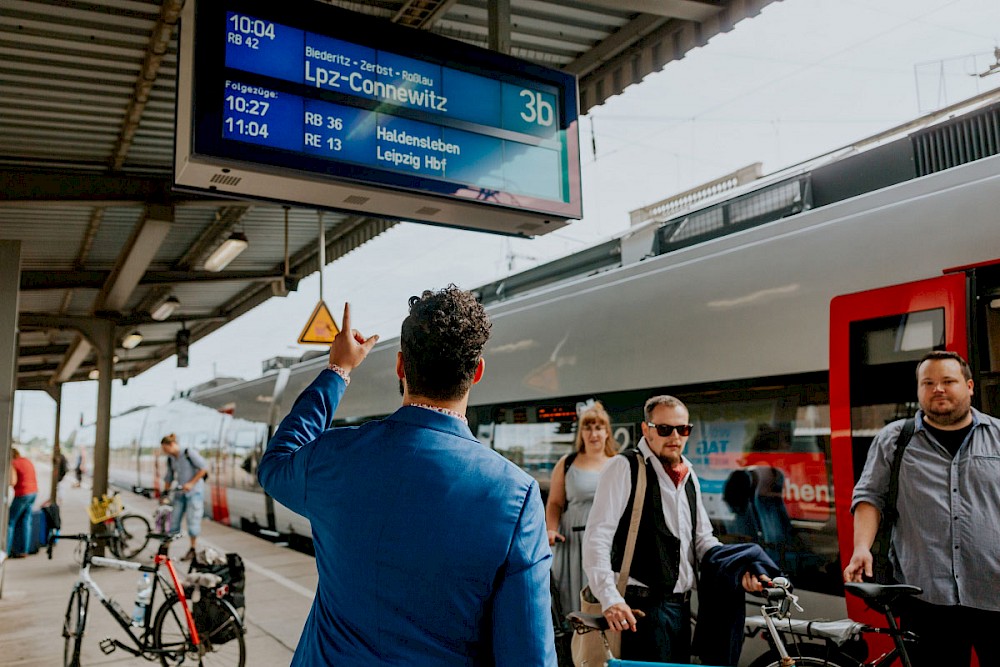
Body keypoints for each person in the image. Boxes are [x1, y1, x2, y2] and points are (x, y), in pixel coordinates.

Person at [258, 289, 555, 666]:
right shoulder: (514, 494)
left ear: (400, 366)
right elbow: (528, 655)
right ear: (477, 371)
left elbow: (275, 463)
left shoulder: (334, 458)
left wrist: (338, 370)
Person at [582, 395, 766, 664]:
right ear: (646, 430)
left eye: (683, 429)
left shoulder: (689, 474)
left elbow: (703, 540)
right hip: (640, 610)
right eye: (665, 429)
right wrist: (610, 599)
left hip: (681, 609)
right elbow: (597, 537)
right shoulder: (625, 467)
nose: (675, 436)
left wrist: (738, 569)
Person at [845, 350, 1000, 667]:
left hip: (995, 591)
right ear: (919, 390)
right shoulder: (894, 440)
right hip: (926, 598)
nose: (938, 389)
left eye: (948, 381)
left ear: (969, 385)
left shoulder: (998, 436)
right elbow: (869, 496)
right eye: (928, 382)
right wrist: (861, 548)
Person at [546, 401, 616, 623]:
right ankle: (572, 650)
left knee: (604, 596)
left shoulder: (619, 464)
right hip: (572, 541)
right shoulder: (567, 463)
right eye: (588, 427)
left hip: (607, 541)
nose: (593, 433)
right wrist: (551, 530)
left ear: (607, 432)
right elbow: (555, 503)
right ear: (581, 432)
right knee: (570, 598)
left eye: (598, 427)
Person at [160, 433, 209, 561]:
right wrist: (165, 492)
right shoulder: (171, 459)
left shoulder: (188, 453)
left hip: (194, 493)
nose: (165, 452)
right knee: (173, 521)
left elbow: (204, 468)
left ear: (172, 445)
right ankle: (164, 550)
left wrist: (191, 483)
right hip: (180, 493)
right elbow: (169, 476)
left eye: (166, 449)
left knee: (193, 522)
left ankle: (193, 549)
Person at [7, 448, 38, 558]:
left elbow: (12, 481)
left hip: (22, 493)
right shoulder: (26, 461)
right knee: (25, 521)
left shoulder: (13, 463)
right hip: (33, 492)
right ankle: (23, 550)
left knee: (10, 521)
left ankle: (6, 550)